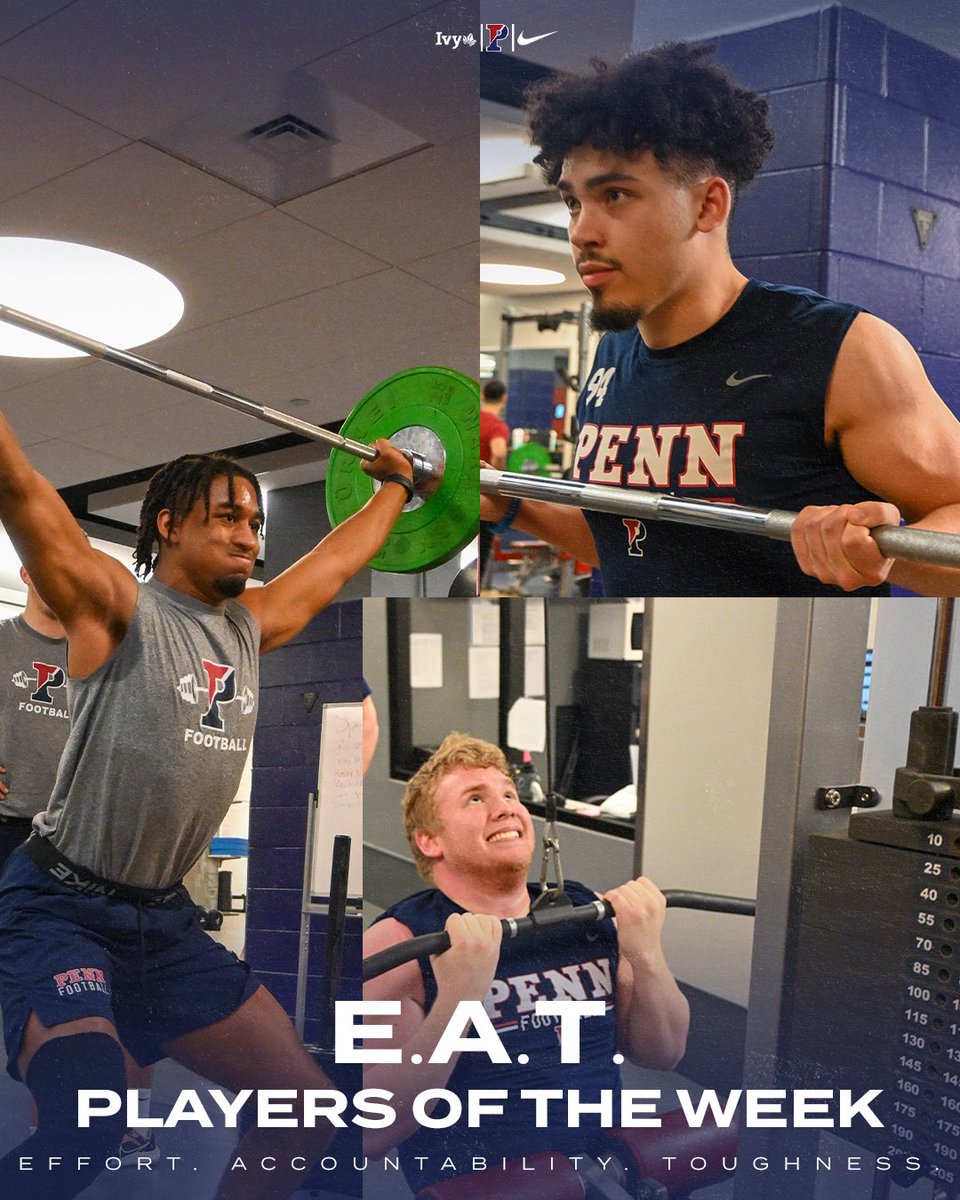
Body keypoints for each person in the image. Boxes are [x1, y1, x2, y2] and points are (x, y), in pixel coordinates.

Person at [0, 413, 415, 1200]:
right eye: (227, 516)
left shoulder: (250, 629)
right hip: (62, 905)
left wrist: (396, 487)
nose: (248, 537)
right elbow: (19, 486)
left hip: (162, 923)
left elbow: (334, 563)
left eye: (255, 523)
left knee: (307, 1107)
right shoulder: (116, 607)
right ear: (168, 524)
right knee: (86, 1119)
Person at [479, 43, 960, 597]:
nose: (583, 231)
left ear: (708, 205)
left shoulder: (841, 349)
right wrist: (512, 506)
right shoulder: (613, 354)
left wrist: (880, 551)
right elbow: (630, 544)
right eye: (573, 203)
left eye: (615, 195)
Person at [362, 734, 689, 1192]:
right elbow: (372, 1131)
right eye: (476, 799)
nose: (506, 808)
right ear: (429, 840)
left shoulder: (585, 912)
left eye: (510, 795)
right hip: (490, 1187)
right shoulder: (398, 944)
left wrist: (646, 954)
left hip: (607, 1176)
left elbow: (663, 1053)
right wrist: (458, 1000)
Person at [0, 567, 162, 1165]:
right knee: (49, 997)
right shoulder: (3, 642)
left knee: (132, 986)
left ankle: (135, 1126)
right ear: (27, 570)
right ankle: (56, 1134)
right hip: (17, 835)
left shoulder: (112, 649)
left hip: (101, 839)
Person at [479, 380, 511, 586]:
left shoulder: (473, 420)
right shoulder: (497, 426)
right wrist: (495, 477)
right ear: (503, 399)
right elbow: (498, 452)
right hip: (483, 499)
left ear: (482, 395)